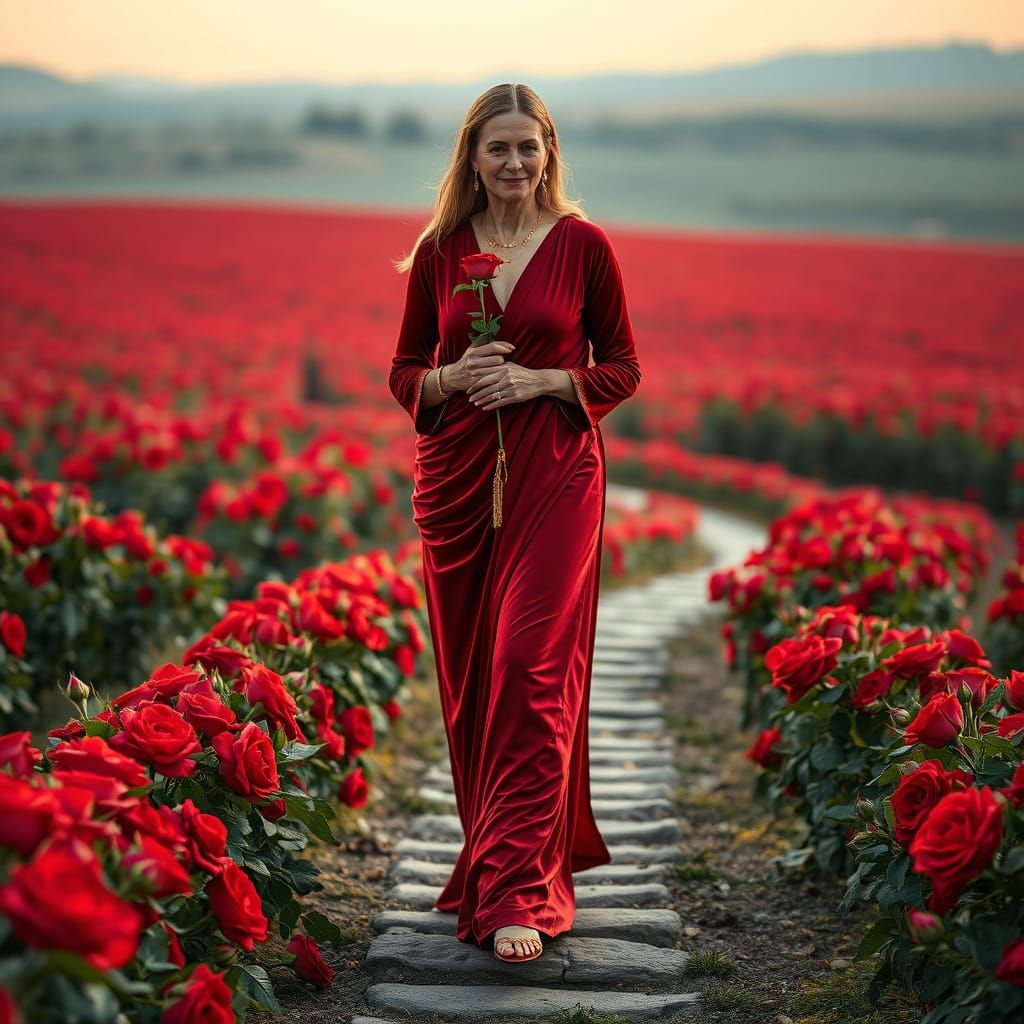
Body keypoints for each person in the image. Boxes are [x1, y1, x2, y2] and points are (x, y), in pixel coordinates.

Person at [387, 82, 641, 964]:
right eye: (498, 148)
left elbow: (625, 367)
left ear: (549, 152)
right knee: (475, 683)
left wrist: (544, 381)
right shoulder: (441, 252)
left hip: (558, 476)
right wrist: (455, 378)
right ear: (473, 156)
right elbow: (405, 372)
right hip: (456, 485)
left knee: (531, 665)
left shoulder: (585, 245)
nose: (515, 163)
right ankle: (495, 856)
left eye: (529, 147)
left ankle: (520, 892)